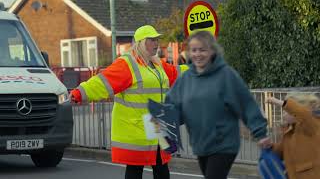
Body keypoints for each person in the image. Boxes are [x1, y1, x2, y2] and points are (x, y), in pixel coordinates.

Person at [70, 25, 187, 179]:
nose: (156, 43)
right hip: (136, 127)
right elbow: (103, 83)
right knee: (135, 168)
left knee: (161, 167)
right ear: (141, 43)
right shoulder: (127, 64)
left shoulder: (157, 64)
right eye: (152, 40)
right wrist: (79, 93)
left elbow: (175, 73)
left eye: (157, 39)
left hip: (157, 124)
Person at [164, 30, 271, 179]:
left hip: (223, 143)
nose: (198, 54)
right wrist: (162, 121)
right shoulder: (186, 78)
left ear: (212, 51)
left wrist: (260, 133)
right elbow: (173, 106)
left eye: (202, 50)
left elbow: (246, 103)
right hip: (201, 144)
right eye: (194, 50)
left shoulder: (226, 75)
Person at [267, 93, 320, 179]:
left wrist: (277, 101)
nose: (283, 114)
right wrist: (269, 145)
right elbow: (279, 152)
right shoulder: (289, 131)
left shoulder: (311, 124)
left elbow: (303, 113)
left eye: (286, 111)